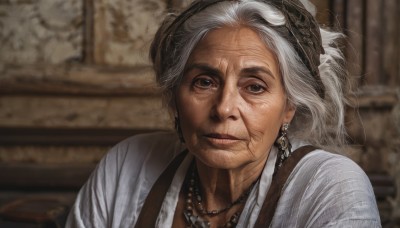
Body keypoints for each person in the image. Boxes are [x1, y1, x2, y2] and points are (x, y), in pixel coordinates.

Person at [66, 0, 381, 227]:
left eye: (255, 87)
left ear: (288, 107)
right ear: (175, 96)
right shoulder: (127, 166)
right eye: (204, 82)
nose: (224, 108)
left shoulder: (330, 187)